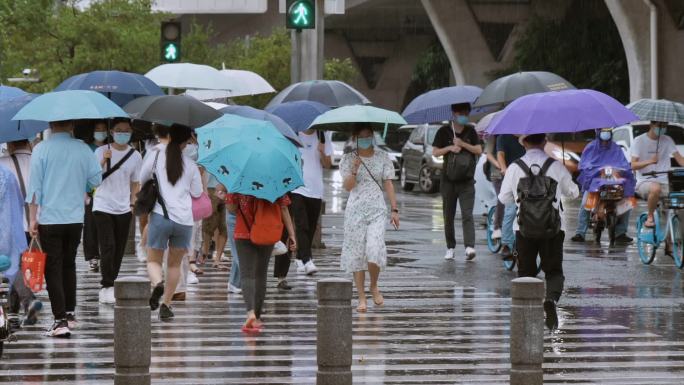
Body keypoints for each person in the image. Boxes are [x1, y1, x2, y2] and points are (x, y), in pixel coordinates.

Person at [27, 120, 102, 337]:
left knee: (53, 267)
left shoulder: (41, 149)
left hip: (50, 218)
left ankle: (59, 320)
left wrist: (33, 219)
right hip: (75, 217)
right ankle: (69, 313)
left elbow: (34, 188)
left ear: (50, 124)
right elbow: (96, 179)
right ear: (71, 125)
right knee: (69, 264)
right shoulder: (82, 148)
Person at [498, 134, 579, 331]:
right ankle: (550, 299)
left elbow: (503, 198)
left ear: (523, 143)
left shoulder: (515, 167)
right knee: (554, 271)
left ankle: (527, 316)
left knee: (525, 272)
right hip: (553, 229)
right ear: (544, 142)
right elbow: (573, 193)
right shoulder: (556, 166)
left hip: (523, 228)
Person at [139, 125, 202, 320]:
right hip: (184, 221)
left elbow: (143, 179)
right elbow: (197, 193)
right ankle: (166, 304)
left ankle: (157, 282)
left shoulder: (155, 155)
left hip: (160, 216)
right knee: (174, 265)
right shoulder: (191, 165)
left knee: (153, 260)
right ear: (186, 142)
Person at [340, 125, 400, 313]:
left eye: (369, 136)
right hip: (355, 210)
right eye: (362, 136)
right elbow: (348, 187)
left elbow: (388, 183)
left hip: (377, 209)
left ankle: (374, 285)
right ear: (355, 138)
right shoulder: (349, 159)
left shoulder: (382, 157)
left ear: (373, 136)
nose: (366, 139)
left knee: (374, 249)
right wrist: (355, 170)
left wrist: (394, 209)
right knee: (357, 253)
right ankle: (361, 297)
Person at [226, 193, 297, 332]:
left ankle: (250, 312)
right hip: (266, 230)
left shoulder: (239, 181)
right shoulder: (274, 181)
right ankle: (257, 317)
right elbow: (283, 208)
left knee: (247, 275)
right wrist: (292, 234)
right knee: (261, 273)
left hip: (243, 232)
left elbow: (231, 207)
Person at [92, 119, 142, 304]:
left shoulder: (135, 155)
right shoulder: (100, 151)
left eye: (126, 130)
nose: (123, 133)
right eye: (119, 130)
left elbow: (135, 182)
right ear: (111, 132)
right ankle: (106, 285)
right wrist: (104, 159)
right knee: (108, 246)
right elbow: (93, 179)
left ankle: (112, 280)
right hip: (102, 205)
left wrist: (132, 202)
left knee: (119, 248)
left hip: (123, 207)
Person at [432, 103, 482, 260]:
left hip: (467, 180)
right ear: (454, 113)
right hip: (448, 180)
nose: (464, 116)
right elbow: (435, 152)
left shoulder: (471, 131)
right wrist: (449, 148)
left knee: (467, 214)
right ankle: (450, 247)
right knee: (448, 215)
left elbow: (479, 150)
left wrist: (462, 144)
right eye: (461, 113)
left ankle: (469, 246)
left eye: (466, 113)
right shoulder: (444, 131)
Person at [0, 140, 42, 328]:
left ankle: (18, 307)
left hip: (9, 226)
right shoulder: (6, 174)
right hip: (26, 223)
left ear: (10, 145)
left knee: (11, 267)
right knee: (15, 265)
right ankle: (24, 304)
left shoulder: (4, 165)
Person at [572, 128, 635, 243]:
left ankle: (621, 232)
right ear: (598, 132)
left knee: (627, 201)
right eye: (603, 130)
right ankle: (580, 233)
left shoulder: (616, 148)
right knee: (585, 203)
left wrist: (620, 171)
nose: (606, 133)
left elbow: (624, 164)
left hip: (614, 181)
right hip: (595, 181)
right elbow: (584, 164)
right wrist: (596, 171)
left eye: (608, 130)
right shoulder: (591, 147)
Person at [289, 129, 333, 279]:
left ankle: (300, 257)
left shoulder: (322, 136)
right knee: (302, 225)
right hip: (298, 188)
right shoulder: (294, 134)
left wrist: (322, 151)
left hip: (316, 189)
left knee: (312, 226)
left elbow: (328, 164)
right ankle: (308, 260)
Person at [630, 121, 684, 227]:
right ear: (651, 125)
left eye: (664, 126)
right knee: (655, 188)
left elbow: (680, 160)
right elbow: (633, 165)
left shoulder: (667, 140)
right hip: (645, 182)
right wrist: (649, 161)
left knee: (679, 200)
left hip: (665, 182)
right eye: (659, 125)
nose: (662, 128)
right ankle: (650, 217)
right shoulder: (639, 141)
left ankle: (673, 235)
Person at [83, 121, 108, 271]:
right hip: (92, 191)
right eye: (98, 129)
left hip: (109, 193)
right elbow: (87, 171)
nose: (101, 132)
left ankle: (105, 255)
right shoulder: (87, 149)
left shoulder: (111, 148)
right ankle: (92, 256)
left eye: (104, 129)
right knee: (91, 226)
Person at [496, 134, 526, 257]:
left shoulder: (527, 137)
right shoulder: (503, 138)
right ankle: (506, 244)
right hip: (511, 176)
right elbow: (500, 154)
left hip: (528, 178)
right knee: (511, 210)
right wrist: (504, 168)